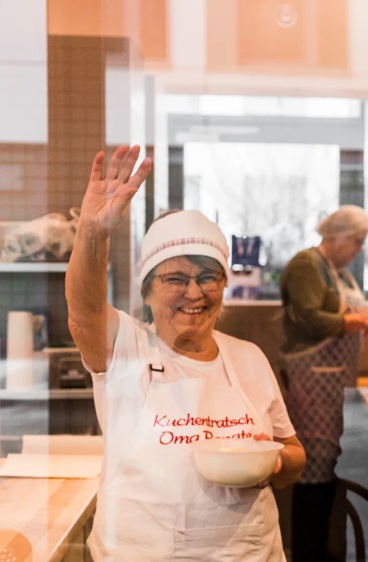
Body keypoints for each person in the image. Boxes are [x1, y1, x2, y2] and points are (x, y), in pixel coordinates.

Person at [66, 145, 306, 561]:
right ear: (147, 291)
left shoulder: (249, 358)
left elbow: (294, 454)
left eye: (208, 277)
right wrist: (92, 231)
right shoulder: (126, 349)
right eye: (175, 278)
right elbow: (83, 312)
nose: (194, 293)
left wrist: (274, 462)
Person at [280, 205, 368, 562]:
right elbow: (310, 319)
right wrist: (353, 321)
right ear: (337, 235)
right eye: (356, 242)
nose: (359, 250)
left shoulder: (338, 272)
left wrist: (360, 318)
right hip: (310, 381)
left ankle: (321, 551)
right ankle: (308, 553)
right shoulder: (305, 265)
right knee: (312, 470)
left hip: (333, 383)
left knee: (326, 470)